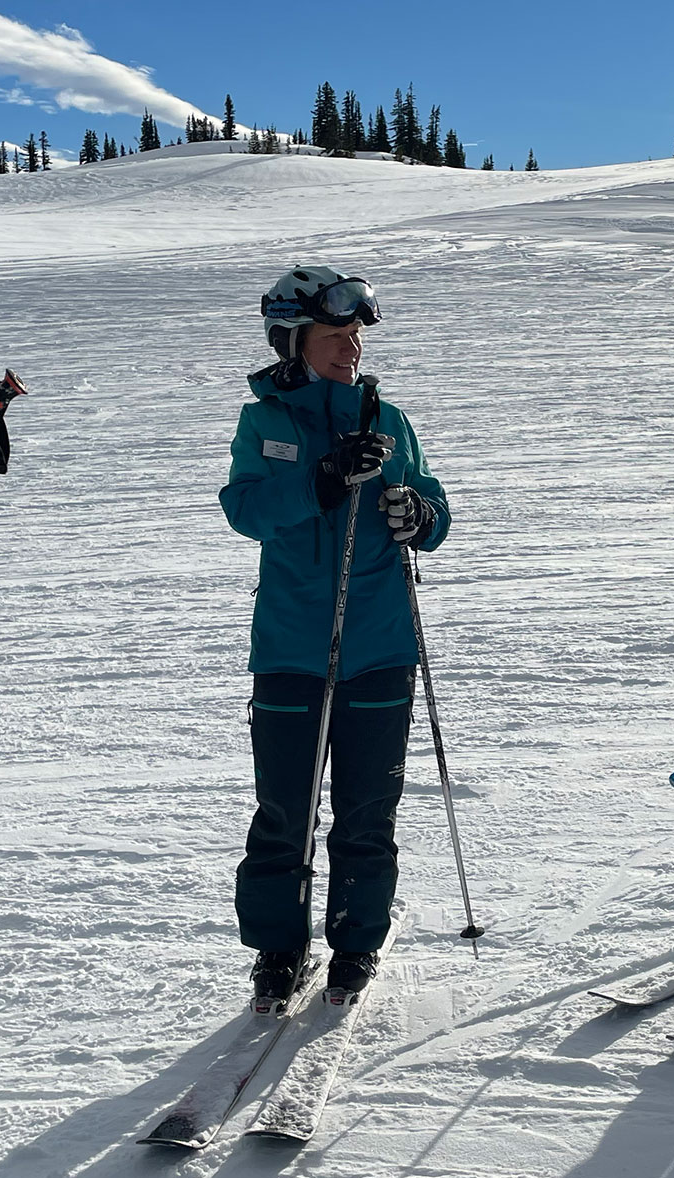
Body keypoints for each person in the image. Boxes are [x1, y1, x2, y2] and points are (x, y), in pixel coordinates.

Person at [220, 266, 451, 1006]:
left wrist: (420, 514)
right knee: (284, 810)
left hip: (380, 647)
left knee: (365, 810)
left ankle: (356, 940)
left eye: (355, 334)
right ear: (294, 343)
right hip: (290, 648)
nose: (350, 346)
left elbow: (436, 508)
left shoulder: (390, 419)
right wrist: (320, 479)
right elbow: (246, 508)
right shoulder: (265, 423)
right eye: (334, 334)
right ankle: (277, 949)